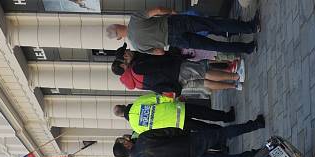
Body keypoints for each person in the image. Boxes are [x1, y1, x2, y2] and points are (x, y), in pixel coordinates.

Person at [112, 116, 265, 157]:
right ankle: (256, 124)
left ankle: (258, 154)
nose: (126, 139)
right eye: (124, 140)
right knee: (222, 134)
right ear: (125, 145)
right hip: (188, 143)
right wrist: (184, 134)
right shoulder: (144, 138)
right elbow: (169, 131)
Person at [106, 8, 260, 55]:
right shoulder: (135, 19)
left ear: (119, 38)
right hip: (175, 23)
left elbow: (159, 52)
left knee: (213, 46)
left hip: (174, 41)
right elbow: (157, 10)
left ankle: (248, 48)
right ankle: (250, 27)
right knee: (213, 24)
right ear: (118, 24)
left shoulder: (137, 46)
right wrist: (172, 11)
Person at [112, 47, 242, 93]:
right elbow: (159, 64)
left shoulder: (133, 83)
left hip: (175, 83)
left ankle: (234, 86)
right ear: (123, 65)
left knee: (204, 83)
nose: (128, 51)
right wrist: (175, 59)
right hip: (175, 70)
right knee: (204, 71)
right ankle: (235, 77)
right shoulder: (136, 68)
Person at [114, 94, 236, 136]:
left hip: (177, 124)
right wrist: (175, 98)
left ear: (121, 117)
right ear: (124, 105)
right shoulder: (138, 103)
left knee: (203, 128)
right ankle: (227, 117)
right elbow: (159, 98)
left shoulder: (136, 127)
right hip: (178, 109)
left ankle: (225, 133)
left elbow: (156, 132)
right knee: (205, 113)